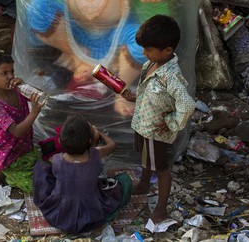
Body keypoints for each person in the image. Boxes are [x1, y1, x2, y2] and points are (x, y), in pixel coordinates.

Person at [120, 14, 196, 223]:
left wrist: (172, 123)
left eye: (149, 50)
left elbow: (187, 105)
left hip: (156, 131)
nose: (144, 53)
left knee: (161, 169)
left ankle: (161, 208)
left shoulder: (170, 76)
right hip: (143, 124)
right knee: (146, 158)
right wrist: (134, 97)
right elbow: (153, 93)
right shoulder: (151, 64)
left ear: (168, 50)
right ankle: (144, 184)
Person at [33, 114, 132, 234]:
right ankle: (107, 215)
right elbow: (112, 145)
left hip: (60, 214)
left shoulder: (57, 159)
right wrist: (98, 133)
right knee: (125, 180)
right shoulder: (96, 154)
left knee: (41, 169)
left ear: (60, 140)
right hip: (92, 212)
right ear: (89, 140)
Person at [0, 52, 43, 193]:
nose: (10, 76)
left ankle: (3, 171)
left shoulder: (18, 91)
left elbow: (39, 95)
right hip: (10, 155)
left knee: (46, 169)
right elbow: (16, 131)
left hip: (25, 148)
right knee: (37, 187)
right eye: (4, 73)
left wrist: (25, 85)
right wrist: (34, 112)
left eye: (12, 71)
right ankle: (7, 174)